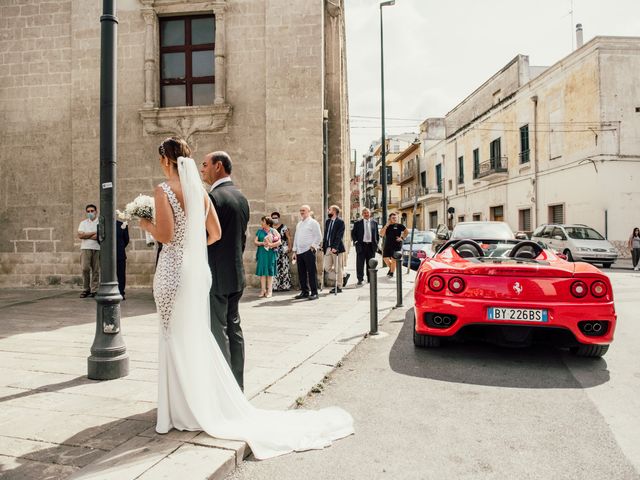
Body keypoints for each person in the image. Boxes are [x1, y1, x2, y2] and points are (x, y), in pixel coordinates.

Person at [139, 141, 353, 459]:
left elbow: (167, 236)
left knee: (173, 336)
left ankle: (178, 409)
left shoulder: (163, 190)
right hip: (201, 273)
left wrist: (145, 224)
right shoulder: (199, 192)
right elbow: (213, 235)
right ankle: (202, 400)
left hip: (172, 270)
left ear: (164, 160)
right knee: (196, 334)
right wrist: (191, 245)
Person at [200, 150, 250, 391]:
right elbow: (243, 238)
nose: (202, 169)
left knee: (218, 330)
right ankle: (237, 385)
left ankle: (224, 390)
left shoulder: (213, 198)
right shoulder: (241, 197)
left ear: (218, 166)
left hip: (216, 275)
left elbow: (204, 237)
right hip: (236, 273)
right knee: (234, 328)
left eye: (205, 165)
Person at [292, 204, 322, 300]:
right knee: (301, 273)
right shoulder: (299, 224)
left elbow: (319, 236)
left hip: (309, 251)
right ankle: (304, 291)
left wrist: (313, 247)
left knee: (312, 272)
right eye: (300, 210)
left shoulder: (313, 223)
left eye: (303, 210)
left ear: (308, 212)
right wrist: (294, 251)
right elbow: (296, 237)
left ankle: (314, 292)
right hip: (299, 251)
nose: (301, 212)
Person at [351, 208, 379, 285]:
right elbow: (353, 234)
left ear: (370, 214)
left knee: (371, 263)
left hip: (371, 246)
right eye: (365, 213)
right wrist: (356, 242)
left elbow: (376, 234)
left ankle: (370, 279)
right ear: (362, 214)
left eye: (367, 213)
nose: (366, 214)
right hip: (361, 245)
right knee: (360, 263)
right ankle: (360, 279)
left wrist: (376, 243)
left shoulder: (374, 223)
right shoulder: (358, 223)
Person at [254, 216, 281, 297]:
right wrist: (263, 243)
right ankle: (263, 290)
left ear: (268, 223)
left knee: (270, 272)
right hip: (262, 253)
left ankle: (270, 291)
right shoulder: (259, 231)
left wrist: (271, 244)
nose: (261, 223)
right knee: (262, 272)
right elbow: (255, 242)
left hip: (271, 253)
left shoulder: (274, 231)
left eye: (263, 221)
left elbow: (279, 242)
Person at [323, 205, 347, 293]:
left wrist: (335, 247)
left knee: (338, 267)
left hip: (336, 248)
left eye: (329, 210)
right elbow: (326, 234)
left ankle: (339, 286)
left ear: (334, 212)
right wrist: (324, 246)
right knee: (327, 267)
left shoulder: (340, 222)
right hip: (328, 248)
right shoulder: (328, 221)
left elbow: (339, 235)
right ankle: (343, 275)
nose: (328, 211)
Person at [78, 204, 100, 298]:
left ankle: (94, 290)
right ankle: (86, 289)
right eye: (88, 211)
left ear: (96, 211)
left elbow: (99, 236)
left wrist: (86, 235)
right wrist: (94, 232)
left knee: (96, 270)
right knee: (85, 269)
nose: (90, 213)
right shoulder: (83, 223)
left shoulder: (100, 222)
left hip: (97, 248)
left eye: (92, 211)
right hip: (85, 248)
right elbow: (80, 236)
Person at [380, 212, 408, 278]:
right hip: (388, 244)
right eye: (393, 218)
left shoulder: (399, 225)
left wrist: (402, 238)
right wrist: (386, 225)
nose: (395, 219)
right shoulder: (387, 226)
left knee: (393, 259)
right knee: (385, 258)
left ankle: (391, 273)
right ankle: (391, 269)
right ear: (390, 219)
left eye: (395, 218)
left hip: (396, 244)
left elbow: (406, 231)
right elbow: (381, 234)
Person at [271, 212, 293, 291]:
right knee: (275, 266)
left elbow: (288, 237)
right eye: (273, 217)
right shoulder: (270, 228)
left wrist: (290, 247)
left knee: (284, 266)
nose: (274, 219)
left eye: (276, 217)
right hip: (273, 249)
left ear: (279, 218)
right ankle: (275, 286)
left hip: (283, 249)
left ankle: (285, 286)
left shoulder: (284, 227)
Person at [116, 220, 130, 299]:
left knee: (121, 274)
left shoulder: (122, 224)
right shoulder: (102, 224)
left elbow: (126, 239)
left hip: (120, 254)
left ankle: (121, 292)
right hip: (106, 255)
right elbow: (99, 239)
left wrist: (120, 248)